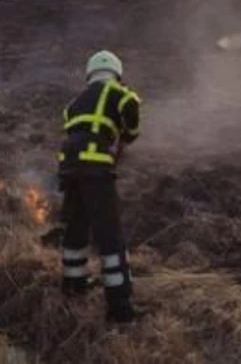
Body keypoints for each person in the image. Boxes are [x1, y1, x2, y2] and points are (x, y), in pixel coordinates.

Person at [56, 49, 142, 324]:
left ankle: (73, 286)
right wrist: (128, 136)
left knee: (76, 226)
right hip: (96, 169)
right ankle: (120, 307)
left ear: (89, 74)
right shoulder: (120, 93)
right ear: (116, 74)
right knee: (109, 234)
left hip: (69, 169)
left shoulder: (74, 103)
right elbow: (131, 112)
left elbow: (75, 132)